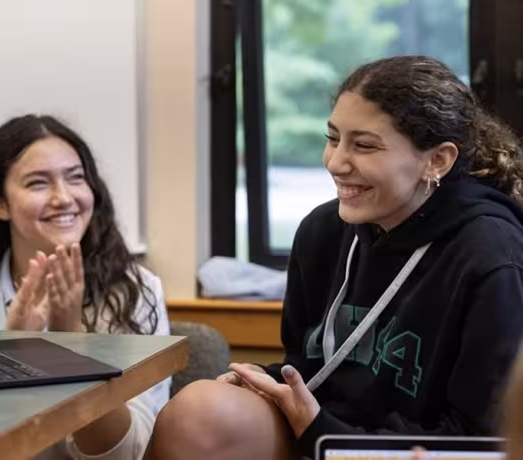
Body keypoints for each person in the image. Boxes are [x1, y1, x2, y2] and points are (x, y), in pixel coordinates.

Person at [144, 55, 523, 460]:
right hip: (322, 434)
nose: (336, 162)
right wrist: (273, 384)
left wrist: (323, 430)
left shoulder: (492, 257)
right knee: (200, 409)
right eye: (332, 138)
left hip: (419, 452)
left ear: (437, 160)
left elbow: (481, 439)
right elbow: (311, 366)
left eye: (363, 145)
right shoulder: (323, 231)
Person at [0, 114, 170, 460]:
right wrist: (12, 358)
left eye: (76, 178)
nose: (63, 198)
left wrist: (71, 342)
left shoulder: (136, 292)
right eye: (38, 183)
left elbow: (130, 453)